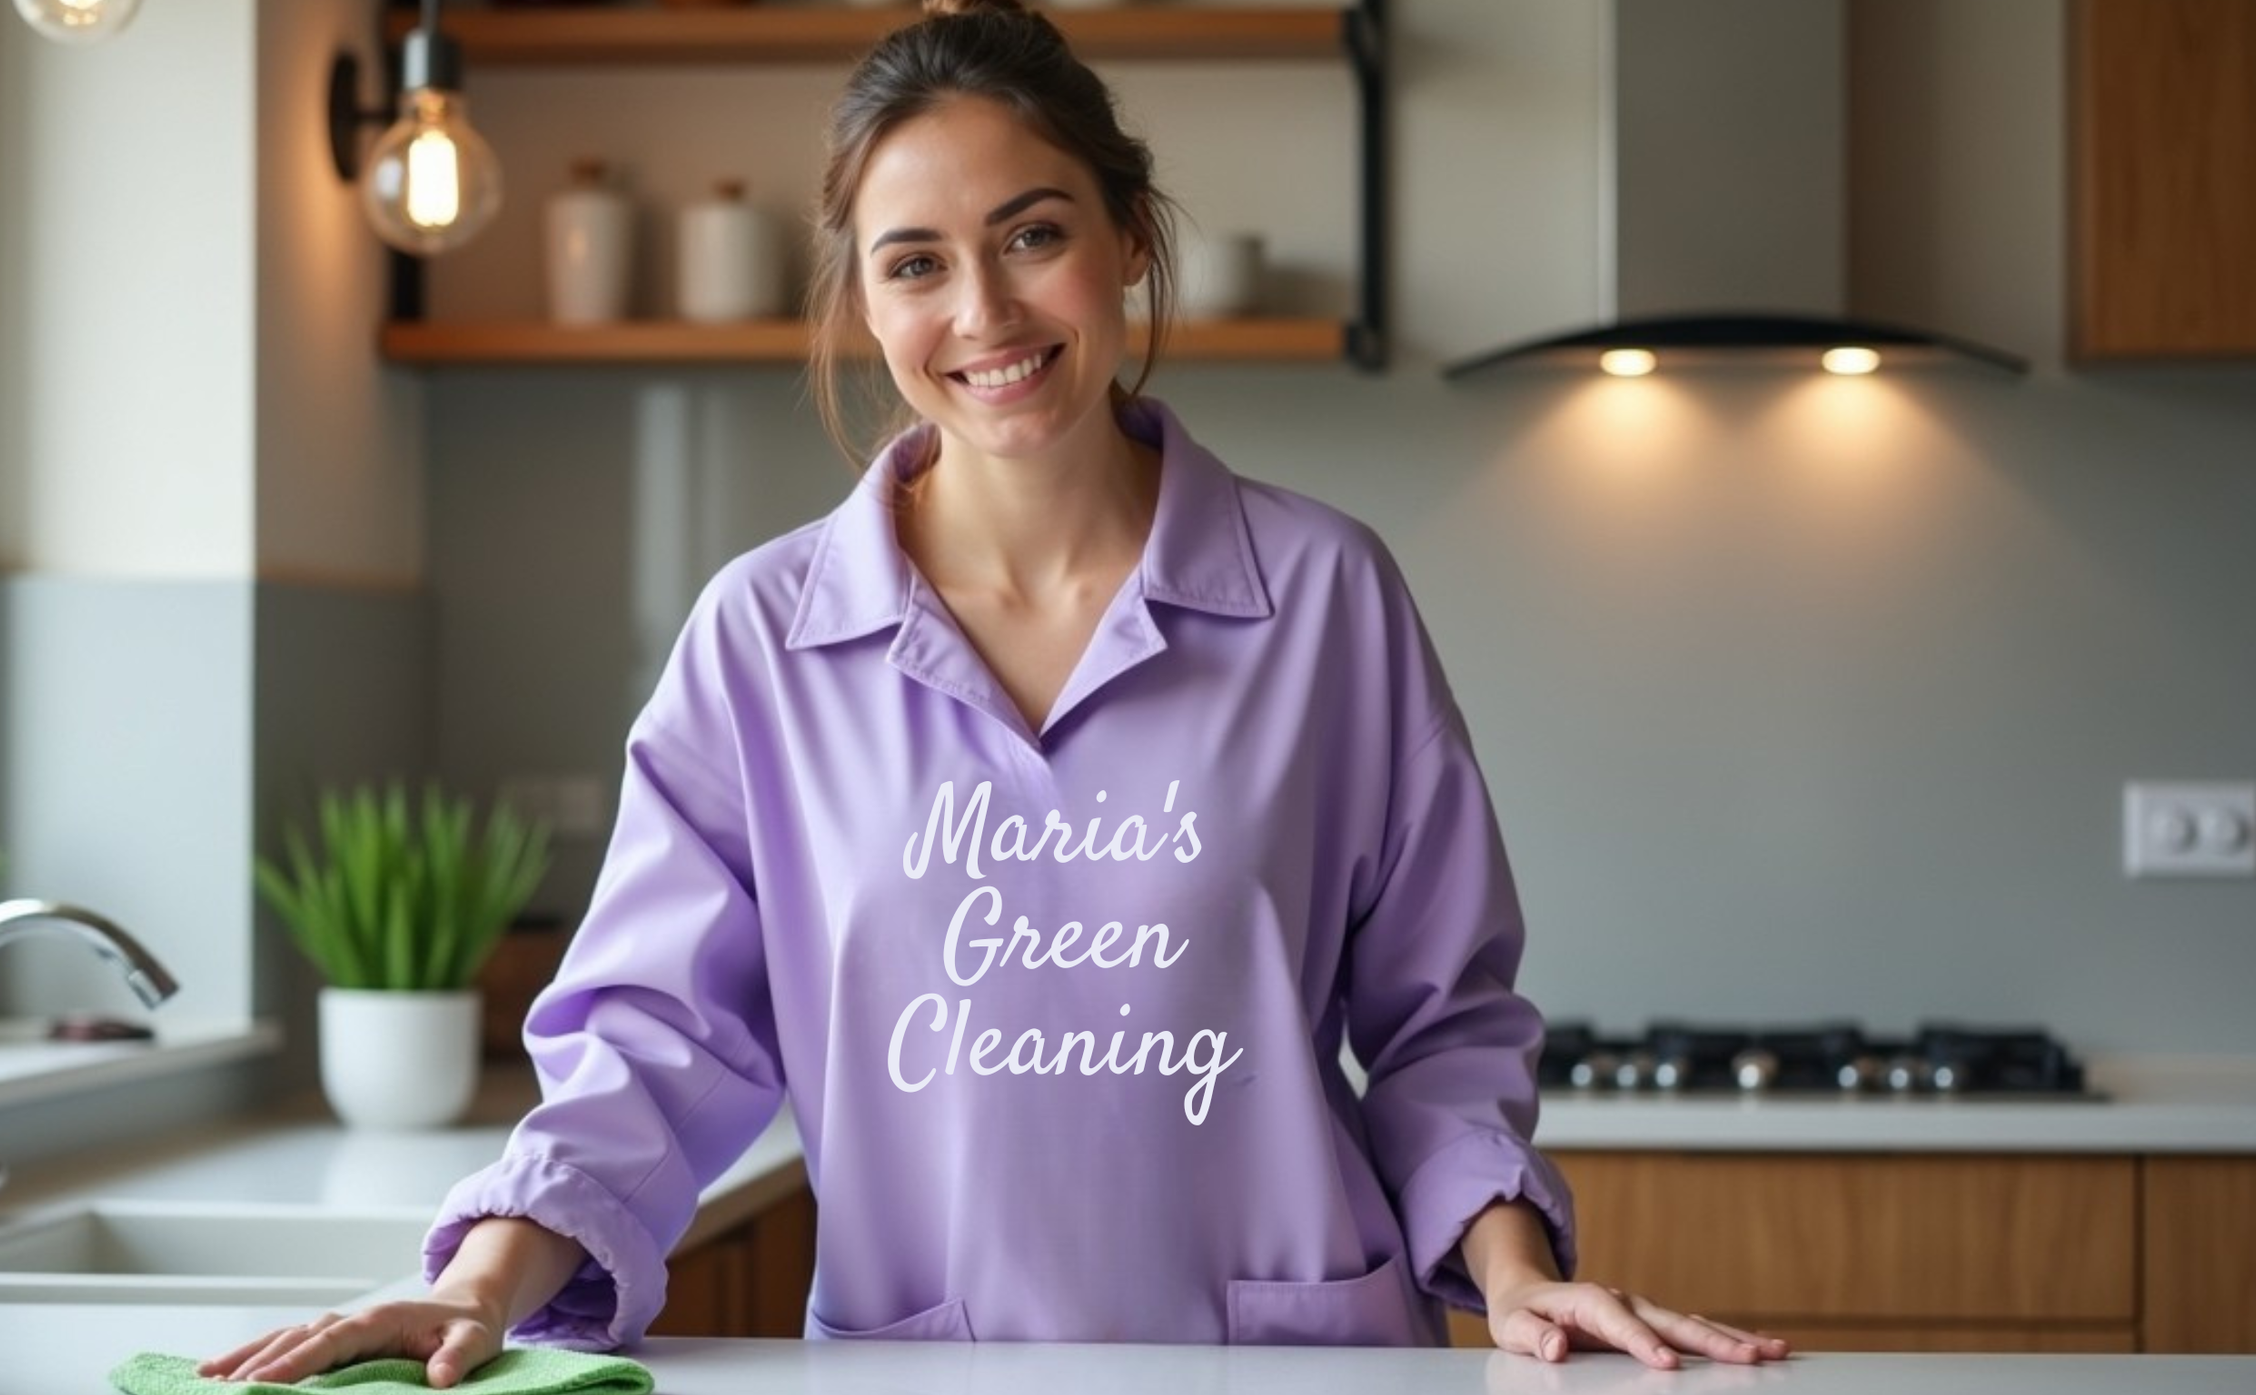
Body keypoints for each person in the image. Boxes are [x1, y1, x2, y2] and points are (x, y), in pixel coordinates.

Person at [207, 0, 1791, 1385]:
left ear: (1128, 241)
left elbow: (1442, 1022)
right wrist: (473, 1279)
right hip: (925, 1375)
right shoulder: (766, 641)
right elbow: (650, 1043)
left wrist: (1514, 1275)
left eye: (1034, 233)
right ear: (866, 302)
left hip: (1303, 1377)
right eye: (917, 264)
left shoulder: (1323, 598)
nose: (984, 313)